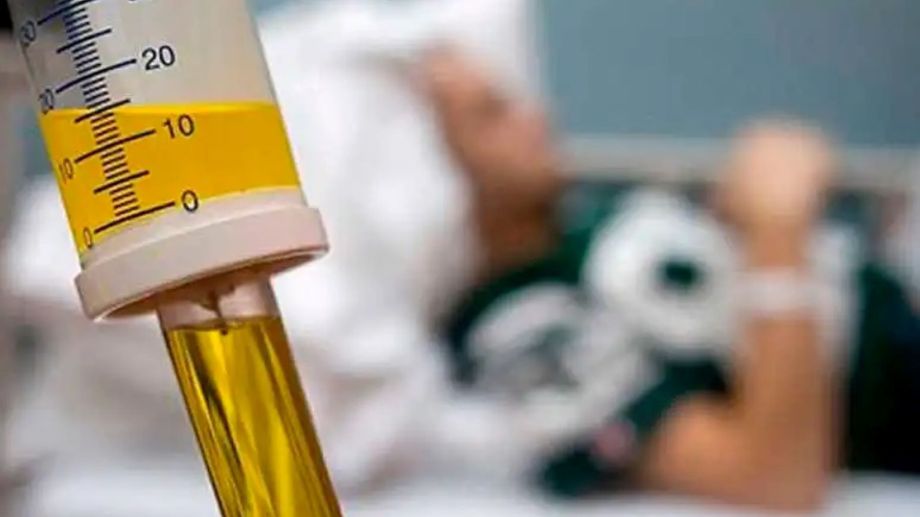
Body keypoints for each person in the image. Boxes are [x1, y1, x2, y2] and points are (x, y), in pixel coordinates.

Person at [423, 49, 920, 511]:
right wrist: (778, 224)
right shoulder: (524, 337)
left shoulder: (585, 228)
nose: (538, 117)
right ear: (423, 172)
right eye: (493, 114)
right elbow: (771, 477)